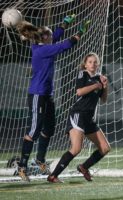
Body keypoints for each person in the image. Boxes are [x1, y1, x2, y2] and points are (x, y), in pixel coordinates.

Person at [16, 15, 90, 181]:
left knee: (49, 128)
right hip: (37, 94)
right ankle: (22, 166)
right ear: (44, 38)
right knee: (34, 130)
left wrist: (64, 24)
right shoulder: (43, 50)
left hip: (46, 95)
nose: (53, 37)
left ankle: (40, 160)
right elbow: (66, 44)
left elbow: (56, 35)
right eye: (50, 36)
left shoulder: (42, 44)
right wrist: (80, 32)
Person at [47, 53, 110, 183]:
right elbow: (79, 92)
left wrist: (105, 86)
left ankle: (84, 167)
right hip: (78, 114)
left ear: (98, 64)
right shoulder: (83, 74)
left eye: (95, 62)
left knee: (105, 148)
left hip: (89, 118)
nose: (93, 64)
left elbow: (103, 100)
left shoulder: (99, 78)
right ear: (85, 64)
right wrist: (95, 86)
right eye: (90, 62)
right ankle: (53, 176)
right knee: (76, 148)